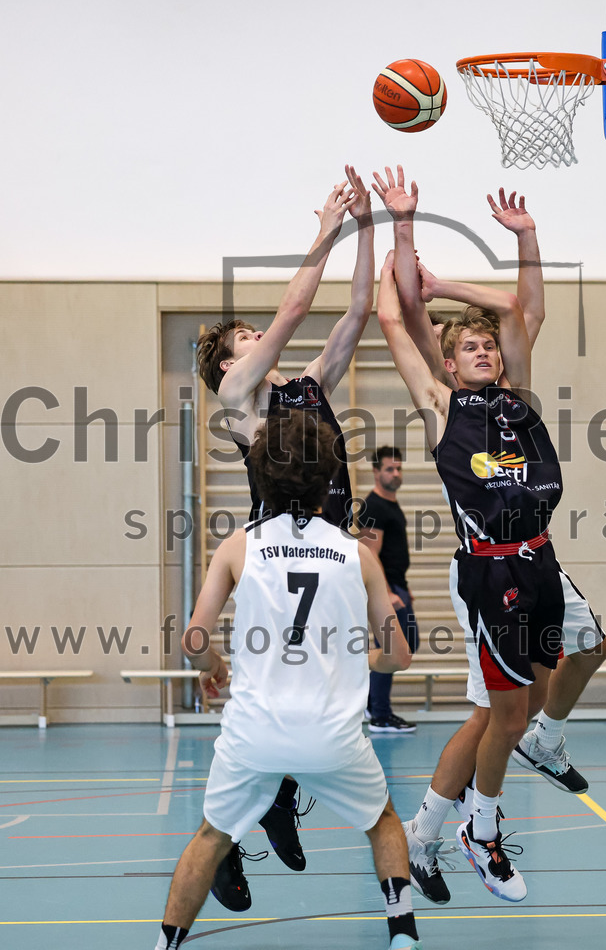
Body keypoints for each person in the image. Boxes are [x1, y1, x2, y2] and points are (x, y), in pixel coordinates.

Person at [372, 168, 606, 848]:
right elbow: (395, 315)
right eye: (467, 347)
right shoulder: (443, 406)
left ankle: (541, 744)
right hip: (486, 568)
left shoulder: (517, 397)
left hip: (538, 558)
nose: (483, 350)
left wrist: (526, 237)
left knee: (583, 653)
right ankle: (456, 830)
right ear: (448, 366)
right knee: (496, 717)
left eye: (488, 346)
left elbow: (520, 310)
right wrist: (401, 226)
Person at [152, 412, 421, 950]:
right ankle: (403, 934)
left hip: (255, 736)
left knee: (210, 836)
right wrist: (357, 658)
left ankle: (166, 945)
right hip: (332, 738)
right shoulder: (358, 555)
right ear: (329, 480)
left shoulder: (238, 546)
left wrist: (214, 668)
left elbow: (194, 640)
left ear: (260, 476)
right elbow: (398, 656)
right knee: (385, 822)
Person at [195, 166, 375, 902]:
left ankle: (274, 801)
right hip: (276, 553)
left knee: (320, 688)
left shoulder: (308, 387)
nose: (261, 336)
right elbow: (297, 307)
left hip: (330, 549)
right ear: (229, 363)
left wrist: (366, 230)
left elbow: (357, 310)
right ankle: (229, 839)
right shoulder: (238, 394)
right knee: (272, 699)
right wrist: (326, 230)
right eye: (248, 336)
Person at [358, 446, 420, 733]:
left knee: (407, 643)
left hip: (397, 585)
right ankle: (380, 714)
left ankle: (373, 704)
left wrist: (403, 589)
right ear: (375, 471)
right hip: (388, 589)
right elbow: (370, 553)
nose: (396, 473)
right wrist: (386, 593)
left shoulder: (389, 505)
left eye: (398, 468)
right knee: (392, 648)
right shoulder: (374, 507)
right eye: (389, 469)